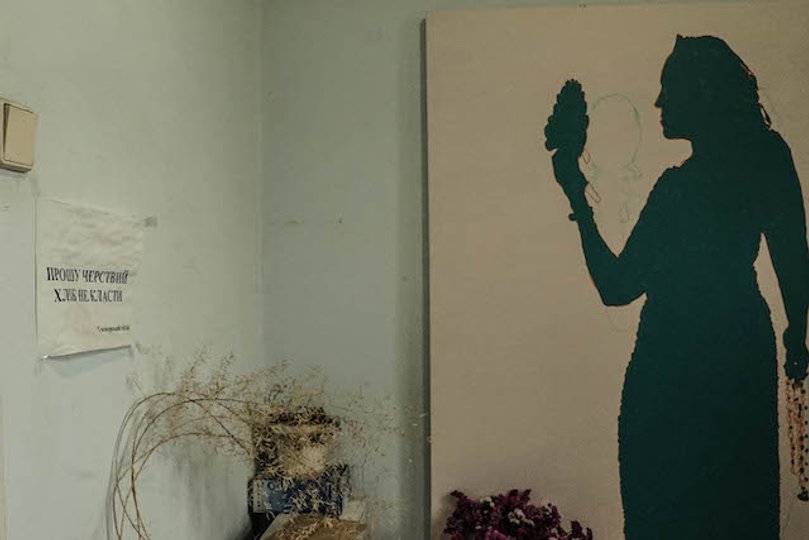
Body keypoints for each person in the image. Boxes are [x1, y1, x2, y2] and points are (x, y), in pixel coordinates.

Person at [546, 35, 809, 539]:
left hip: (666, 369)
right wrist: (796, 335)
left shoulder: (678, 191)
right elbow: (793, 258)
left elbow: (617, 287)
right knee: (737, 513)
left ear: (702, 92)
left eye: (669, 88)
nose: (659, 101)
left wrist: (575, 190)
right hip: (738, 353)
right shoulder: (767, 158)